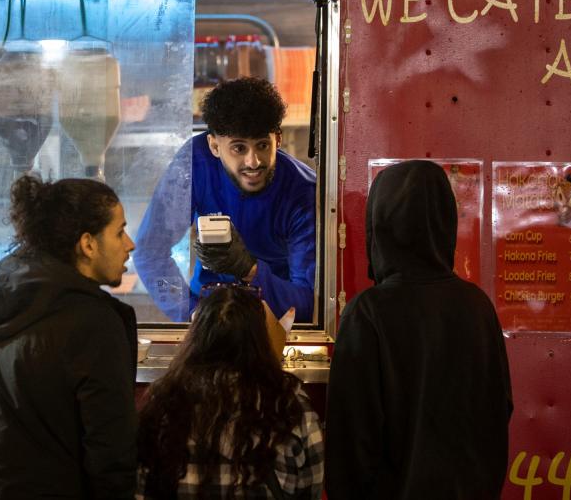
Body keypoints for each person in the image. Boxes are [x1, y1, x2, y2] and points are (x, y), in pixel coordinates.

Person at [325, 160, 513, 500]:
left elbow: (349, 443)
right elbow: (498, 416)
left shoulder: (368, 313)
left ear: (379, 226)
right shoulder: (478, 308)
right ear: (445, 223)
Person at [0, 174, 138, 499]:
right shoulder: (93, 322)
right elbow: (111, 452)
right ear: (88, 244)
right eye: (119, 232)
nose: (129, 244)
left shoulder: (18, 299)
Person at [133, 77, 316, 322]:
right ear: (214, 146)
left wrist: (249, 269)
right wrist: (190, 312)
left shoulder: (302, 192)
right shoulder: (194, 164)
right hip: (208, 309)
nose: (254, 162)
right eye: (239, 148)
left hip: (274, 318)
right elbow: (149, 251)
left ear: (278, 140)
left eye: (262, 145)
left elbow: (306, 304)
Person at [137, 284, 324, 499]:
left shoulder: (163, 402)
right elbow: (312, 488)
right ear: (261, 341)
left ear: (195, 338)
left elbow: (142, 486)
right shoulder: (291, 405)